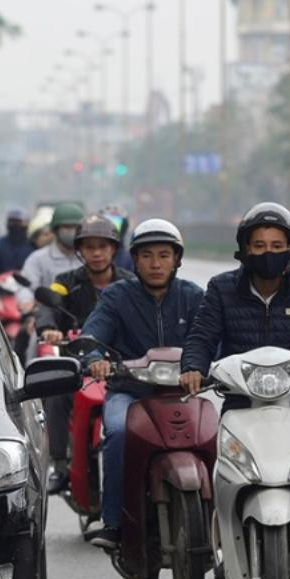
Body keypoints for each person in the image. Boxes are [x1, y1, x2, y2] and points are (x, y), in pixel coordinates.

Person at [79, 219, 205, 550]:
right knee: (118, 431)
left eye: (164, 255)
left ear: (177, 259)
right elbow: (92, 336)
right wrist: (94, 359)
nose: (156, 263)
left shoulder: (194, 297)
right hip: (129, 393)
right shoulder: (116, 297)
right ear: (134, 260)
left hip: (183, 395)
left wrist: (208, 365)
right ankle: (114, 523)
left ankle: (218, 518)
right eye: (147, 255)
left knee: (217, 433)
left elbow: (213, 339)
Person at [180, 202, 290, 404]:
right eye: (259, 246)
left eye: (277, 246)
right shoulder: (221, 289)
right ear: (246, 248)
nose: (268, 253)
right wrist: (193, 368)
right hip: (240, 404)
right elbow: (202, 337)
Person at [35, 215, 136, 493]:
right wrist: (49, 328)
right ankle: (59, 463)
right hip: (78, 361)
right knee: (56, 394)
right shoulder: (64, 282)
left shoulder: (131, 283)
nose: (96, 253)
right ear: (80, 251)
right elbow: (47, 309)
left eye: (103, 246)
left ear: (114, 249)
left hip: (121, 363)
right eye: (89, 247)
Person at [19, 203, 85, 294]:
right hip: (49, 307)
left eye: (76, 227)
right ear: (55, 230)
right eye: (67, 227)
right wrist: (26, 300)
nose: (72, 231)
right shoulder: (38, 258)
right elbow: (26, 287)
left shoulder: (88, 256)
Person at [99, 205, 134, 272]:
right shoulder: (93, 254)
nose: (112, 227)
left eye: (116, 223)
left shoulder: (128, 258)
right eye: (108, 223)